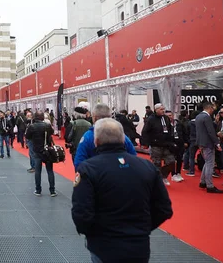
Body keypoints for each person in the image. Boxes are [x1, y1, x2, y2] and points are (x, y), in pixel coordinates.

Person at [71, 118, 173, 263]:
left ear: (96, 141)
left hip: (103, 246)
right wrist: (142, 229)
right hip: (139, 246)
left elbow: (81, 213)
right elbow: (164, 209)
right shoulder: (147, 167)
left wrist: (95, 234)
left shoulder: (88, 169)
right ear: (123, 139)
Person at [74, 104, 137, 170]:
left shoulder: (87, 137)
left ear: (94, 117)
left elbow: (79, 163)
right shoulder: (122, 135)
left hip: (96, 176)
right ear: (110, 117)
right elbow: (133, 157)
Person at [141, 104, 176, 186]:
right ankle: (157, 181)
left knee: (171, 162)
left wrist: (172, 141)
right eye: (161, 109)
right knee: (157, 163)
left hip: (166, 145)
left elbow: (170, 130)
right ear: (156, 110)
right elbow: (145, 131)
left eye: (164, 109)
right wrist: (145, 143)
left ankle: (162, 176)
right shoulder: (151, 119)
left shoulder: (166, 118)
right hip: (155, 145)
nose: (163, 110)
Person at [195, 102, 223, 194]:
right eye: (213, 108)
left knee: (207, 163)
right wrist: (217, 143)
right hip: (208, 143)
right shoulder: (206, 117)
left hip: (201, 143)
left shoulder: (198, 116)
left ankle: (203, 182)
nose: (213, 110)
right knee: (210, 164)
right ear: (210, 108)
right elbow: (210, 132)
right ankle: (209, 185)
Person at [26, 112, 56, 197]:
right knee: (50, 170)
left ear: (35, 117)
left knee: (38, 171)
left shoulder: (32, 126)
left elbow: (28, 136)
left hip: (37, 151)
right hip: (47, 150)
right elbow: (52, 133)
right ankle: (52, 190)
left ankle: (38, 190)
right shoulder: (47, 125)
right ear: (43, 117)